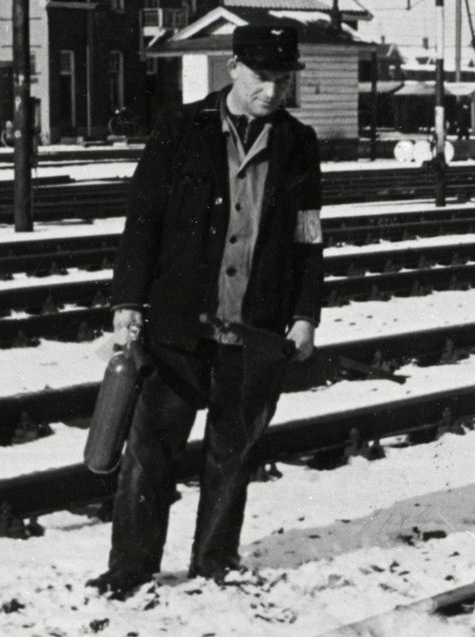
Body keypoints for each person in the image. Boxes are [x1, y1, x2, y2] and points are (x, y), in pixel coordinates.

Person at [87, 24, 323, 599]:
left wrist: (305, 313)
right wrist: (127, 302)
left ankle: (214, 562)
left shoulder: (298, 142)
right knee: (148, 454)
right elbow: (142, 221)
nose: (273, 90)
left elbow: (307, 237)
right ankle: (131, 569)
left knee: (233, 453)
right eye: (263, 76)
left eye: (283, 79)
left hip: (255, 326)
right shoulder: (180, 129)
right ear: (234, 67)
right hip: (176, 325)